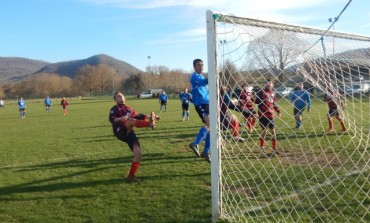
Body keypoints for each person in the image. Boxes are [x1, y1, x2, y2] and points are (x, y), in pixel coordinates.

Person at [109, 91, 160, 182]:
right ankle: (150, 125)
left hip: (129, 133)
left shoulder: (129, 109)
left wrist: (153, 117)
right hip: (120, 131)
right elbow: (111, 119)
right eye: (118, 97)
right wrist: (120, 118)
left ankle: (131, 176)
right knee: (131, 121)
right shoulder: (115, 108)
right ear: (115, 100)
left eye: (122, 96)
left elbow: (140, 116)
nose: (121, 98)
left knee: (138, 154)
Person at [188, 59, 211, 163]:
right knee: (210, 123)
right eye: (199, 65)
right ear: (194, 67)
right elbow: (205, 81)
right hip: (201, 103)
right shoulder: (194, 77)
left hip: (207, 103)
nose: (201, 67)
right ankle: (196, 143)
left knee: (212, 128)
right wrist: (214, 73)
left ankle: (206, 151)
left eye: (202, 65)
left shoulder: (201, 76)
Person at [255, 80, 281, 155]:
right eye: (267, 83)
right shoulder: (261, 92)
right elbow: (256, 102)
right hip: (262, 115)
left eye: (270, 83)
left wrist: (278, 111)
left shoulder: (273, 92)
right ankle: (261, 148)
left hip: (271, 115)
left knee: (273, 131)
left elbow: (273, 103)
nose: (268, 84)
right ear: (265, 84)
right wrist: (259, 97)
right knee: (264, 131)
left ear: (272, 85)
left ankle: (274, 148)